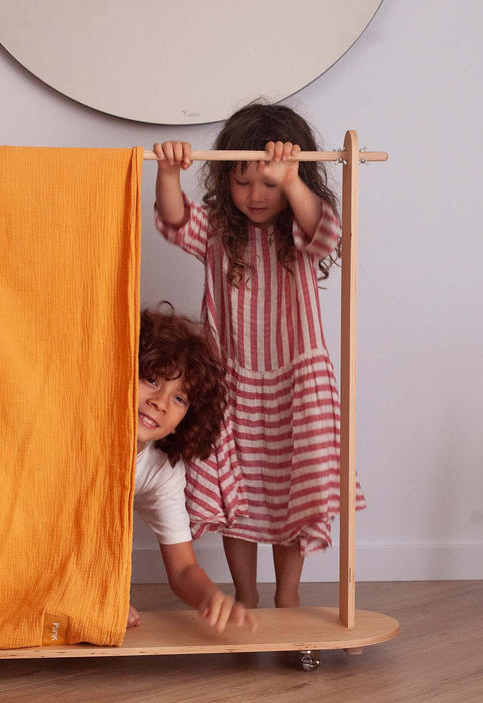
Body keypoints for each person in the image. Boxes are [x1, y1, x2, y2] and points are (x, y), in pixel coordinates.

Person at [152, 101, 363, 610]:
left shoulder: (301, 232)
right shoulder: (221, 234)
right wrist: (167, 171)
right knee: (235, 499)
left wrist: (290, 181)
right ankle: (245, 595)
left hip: (296, 383)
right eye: (243, 182)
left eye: (268, 184)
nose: (256, 195)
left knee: (296, 491)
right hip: (233, 385)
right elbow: (175, 217)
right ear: (225, 182)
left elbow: (325, 229)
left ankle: (287, 598)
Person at [129, 307, 256, 632]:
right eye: (152, 379)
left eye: (180, 399)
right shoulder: (78, 440)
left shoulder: (162, 470)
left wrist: (210, 597)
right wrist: (95, 594)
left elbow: (183, 568)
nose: (160, 401)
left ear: (187, 421)